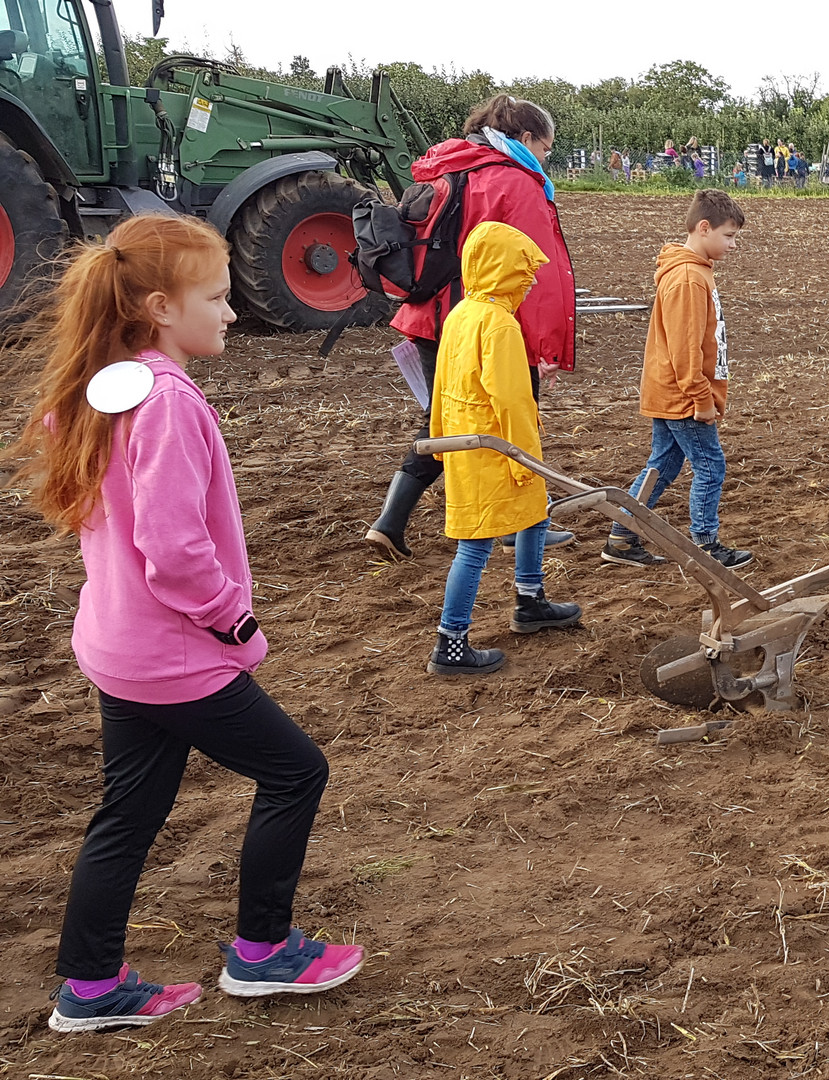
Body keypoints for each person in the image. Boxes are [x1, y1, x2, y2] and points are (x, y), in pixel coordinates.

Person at [9, 216, 361, 1033]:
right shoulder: (165, 400)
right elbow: (172, 548)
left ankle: (91, 989)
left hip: (116, 647)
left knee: (128, 813)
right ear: (162, 307)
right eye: (217, 296)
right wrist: (233, 623)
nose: (233, 311)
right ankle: (264, 953)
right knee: (296, 773)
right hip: (175, 656)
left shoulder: (108, 383)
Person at [366, 94, 578, 560]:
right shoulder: (513, 181)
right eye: (546, 148)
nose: (546, 159)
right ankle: (519, 526)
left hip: (429, 317)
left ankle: (389, 521)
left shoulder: (443, 168)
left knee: (443, 424)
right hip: (488, 323)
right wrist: (543, 345)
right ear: (524, 139)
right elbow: (533, 271)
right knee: (514, 417)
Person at [425, 222, 583, 675]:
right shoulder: (497, 325)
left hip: (464, 444)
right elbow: (513, 401)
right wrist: (526, 461)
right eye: (522, 268)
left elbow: (440, 385)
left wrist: (439, 437)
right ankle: (450, 644)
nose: (531, 278)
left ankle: (530, 600)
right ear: (498, 269)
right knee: (474, 547)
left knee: (536, 513)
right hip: (494, 450)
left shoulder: (461, 314)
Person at [603, 191, 754, 569]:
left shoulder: (695, 270)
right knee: (711, 466)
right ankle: (706, 544)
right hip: (683, 395)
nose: (733, 245)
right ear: (704, 228)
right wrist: (701, 398)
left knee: (664, 463)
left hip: (671, 392)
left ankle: (622, 537)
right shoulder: (687, 278)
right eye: (729, 236)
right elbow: (684, 349)